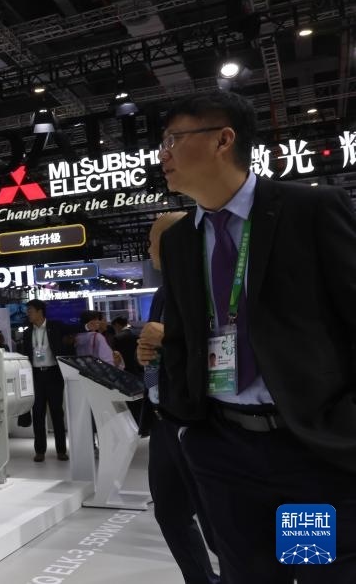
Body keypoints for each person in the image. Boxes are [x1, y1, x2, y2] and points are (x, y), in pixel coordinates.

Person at [151, 90, 355, 583]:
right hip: (222, 451)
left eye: (174, 139)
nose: (163, 154)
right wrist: (188, 425)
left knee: (312, 570)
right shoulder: (180, 240)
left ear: (223, 140)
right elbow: (182, 338)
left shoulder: (309, 210)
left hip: (306, 449)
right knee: (244, 575)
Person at [137, 210, 221, 584]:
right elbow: (164, 346)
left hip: (201, 419)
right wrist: (147, 352)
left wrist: (168, 337)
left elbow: (226, 344)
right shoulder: (161, 292)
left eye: (153, 240)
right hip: (163, 418)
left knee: (220, 522)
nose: (148, 248)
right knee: (170, 513)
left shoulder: (212, 285)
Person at [19, 300, 69, 462]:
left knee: (57, 413)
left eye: (30, 311)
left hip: (54, 374)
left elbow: (73, 330)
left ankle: (61, 450)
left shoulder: (55, 327)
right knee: (38, 413)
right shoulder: (28, 332)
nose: (28, 314)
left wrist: (88, 326)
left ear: (40, 311)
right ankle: (39, 451)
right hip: (36, 376)